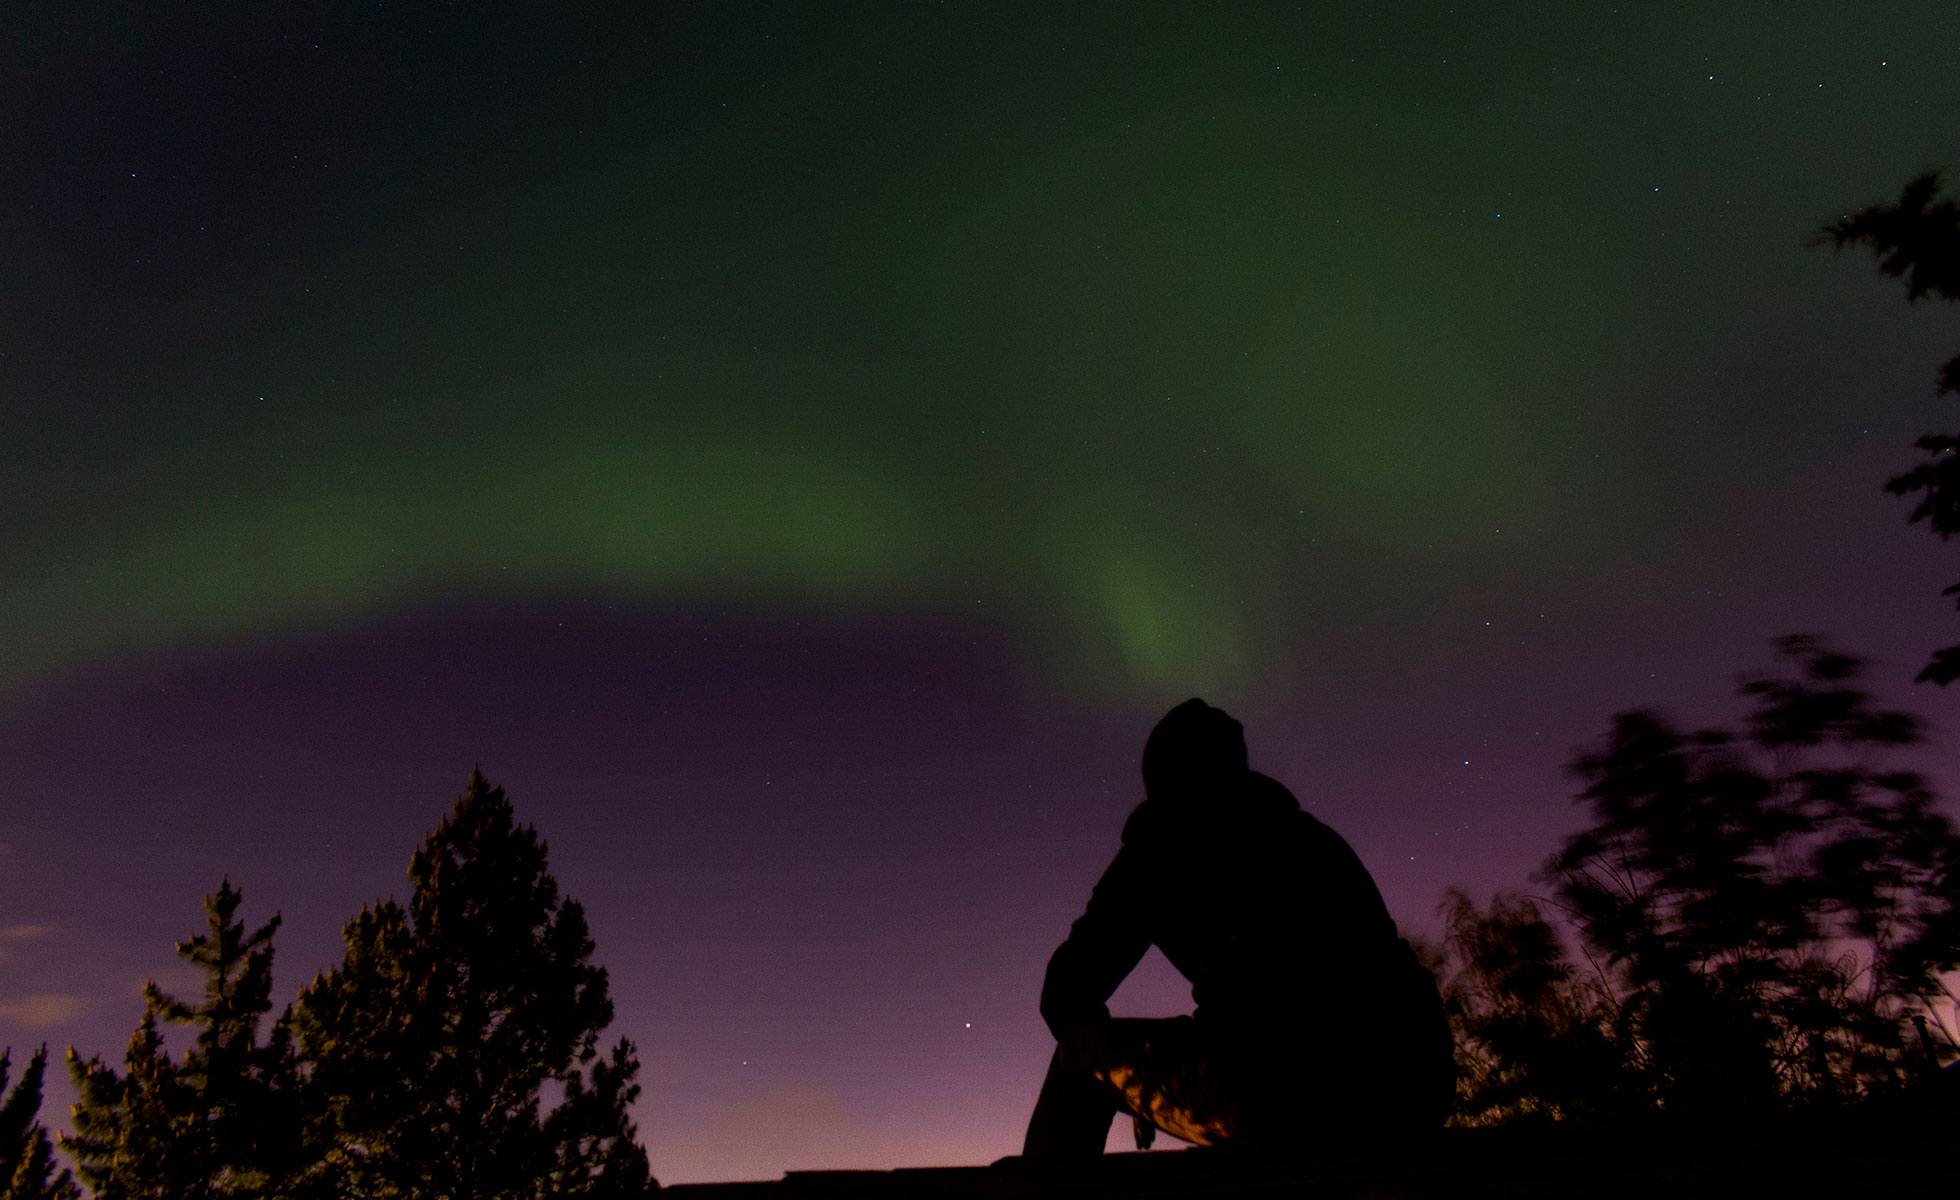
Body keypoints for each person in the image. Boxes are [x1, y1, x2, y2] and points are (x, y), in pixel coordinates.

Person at [1022, 698, 1454, 1158]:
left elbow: (1066, 994)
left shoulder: (1159, 847)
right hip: (1413, 1089)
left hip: (1277, 1092)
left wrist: (1123, 1084)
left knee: (1078, 1059)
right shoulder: (1311, 839)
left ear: (1161, 780)